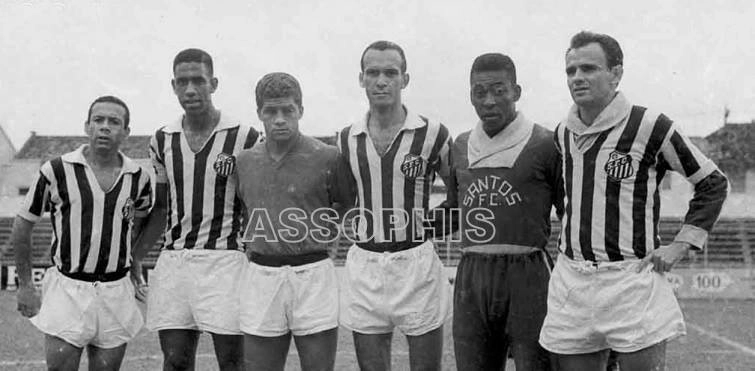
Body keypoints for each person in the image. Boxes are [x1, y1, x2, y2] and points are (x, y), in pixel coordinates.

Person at [539, 31, 729, 370]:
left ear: (616, 73)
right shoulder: (562, 133)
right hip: (572, 280)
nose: (578, 77)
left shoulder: (650, 125)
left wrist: (680, 245)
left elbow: (712, 182)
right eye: (571, 71)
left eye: (589, 68)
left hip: (631, 277)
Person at [136, 48, 259, 371]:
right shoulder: (162, 139)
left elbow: (254, 202)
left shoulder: (245, 136)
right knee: (175, 361)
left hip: (226, 261)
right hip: (175, 261)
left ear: (213, 83)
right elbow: (161, 207)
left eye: (198, 80)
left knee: (233, 362)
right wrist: (135, 257)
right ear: (173, 86)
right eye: (182, 82)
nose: (190, 89)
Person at [13, 96, 153, 371]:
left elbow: (137, 223)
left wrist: (134, 259)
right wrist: (26, 284)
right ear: (86, 126)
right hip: (69, 288)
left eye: (114, 122)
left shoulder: (139, 178)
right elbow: (22, 224)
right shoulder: (56, 170)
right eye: (98, 120)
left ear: (126, 132)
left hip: (115, 289)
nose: (105, 127)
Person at [337, 40, 452, 371]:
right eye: (373, 73)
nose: (381, 81)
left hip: (415, 260)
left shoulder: (432, 133)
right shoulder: (347, 137)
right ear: (361, 79)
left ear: (405, 79)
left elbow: (459, 192)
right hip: (365, 261)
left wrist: (428, 225)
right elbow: (344, 197)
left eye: (391, 72)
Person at [447, 53, 562, 370]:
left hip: (528, 275)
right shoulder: (460, 145)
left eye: (499, 90)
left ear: (517, 92)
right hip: (472, 275)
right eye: (479, 92)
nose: (489, 101)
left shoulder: (545, 143)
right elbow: (454, 209)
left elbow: (570, 211)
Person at [235, 72, 354, 371]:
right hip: (262, 273)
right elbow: (243, 209)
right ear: (259, 112)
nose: (279, 119)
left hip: (312, 272)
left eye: (287, 110)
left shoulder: (327, 156)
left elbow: (345, 203)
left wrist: (323, 236)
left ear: (300, 110)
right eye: (270, 111)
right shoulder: (245, 161)